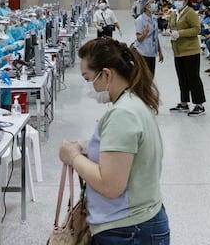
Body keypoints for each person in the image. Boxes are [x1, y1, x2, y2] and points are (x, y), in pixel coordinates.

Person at [58, 38, 169, 245]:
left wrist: (72, 157)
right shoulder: (133, 103)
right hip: (136, 223)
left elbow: (110, 186)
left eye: (88, 78)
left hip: (128, 229)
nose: (89, 87)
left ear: (106, 74)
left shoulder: (122, 114)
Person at [167, 0, 205, 116]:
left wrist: (180, 33)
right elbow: (170, 25)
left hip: (190, 51)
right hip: (178, 51)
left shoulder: (190, 13)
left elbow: (196, 29)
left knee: (193, 78)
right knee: (182, 78)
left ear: (185, 0)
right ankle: (184, 103)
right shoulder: (174, 13)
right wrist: (169, 31)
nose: (176, 1)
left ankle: (199, 104)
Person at [133, 0, 163, 76]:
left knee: (151, 76)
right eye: (152, 2)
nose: (155, 4)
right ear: (146, 5)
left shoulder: (154, 18)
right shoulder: (140, 20)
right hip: (143, 53)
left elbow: (155, 36)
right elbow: (139, 38)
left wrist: (160, 52)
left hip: (152, 52)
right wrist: (145, 33)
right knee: (144, 77)